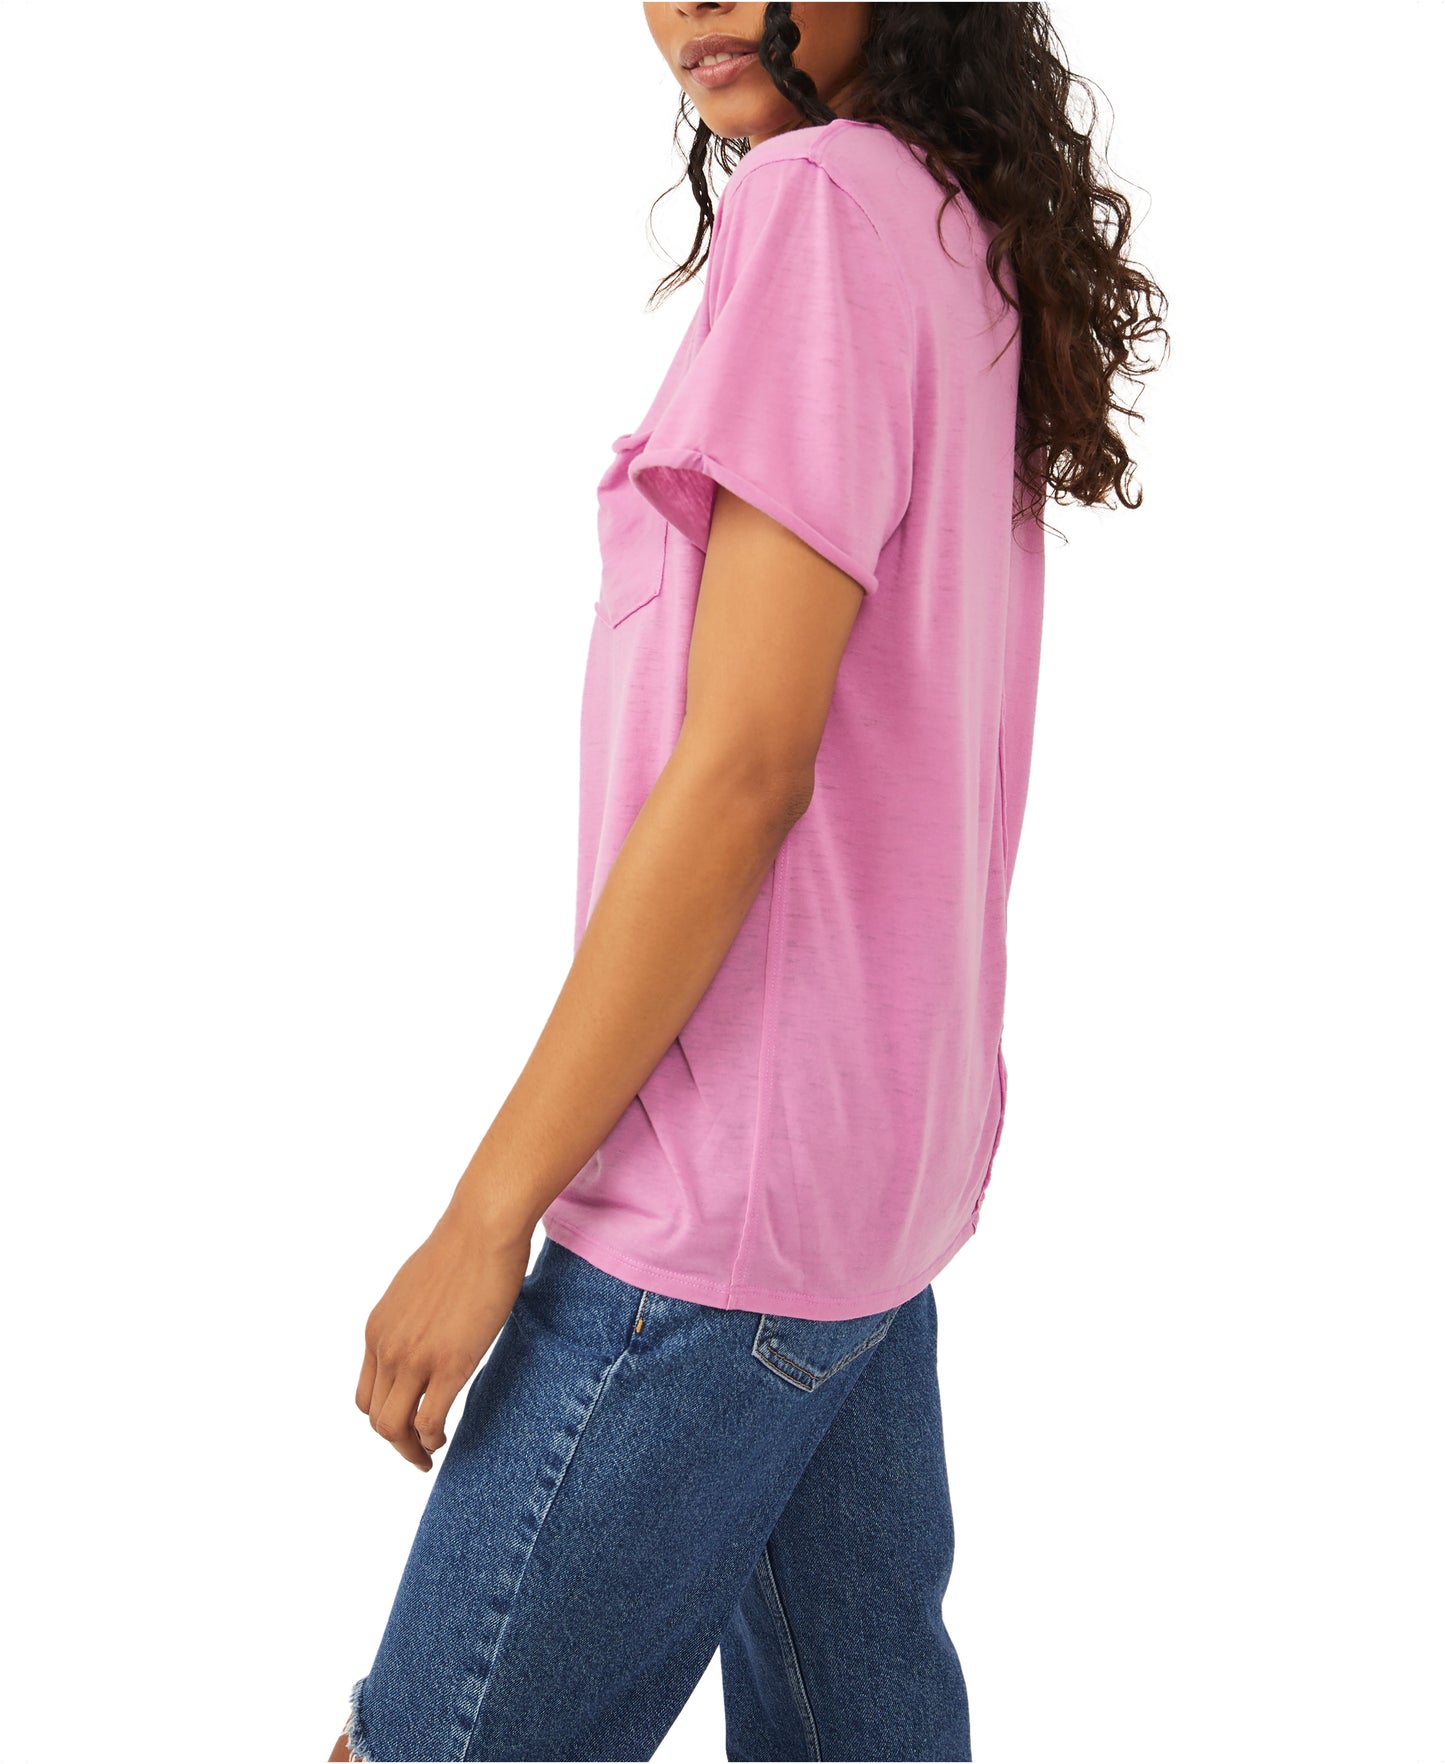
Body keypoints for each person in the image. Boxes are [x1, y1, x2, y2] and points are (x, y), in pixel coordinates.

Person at [329, 4, 1167, 1759]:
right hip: (867, 1192)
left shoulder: (820, 210)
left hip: (716, 1212)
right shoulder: (945, 221)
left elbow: (741, 774)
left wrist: (483, 1219)